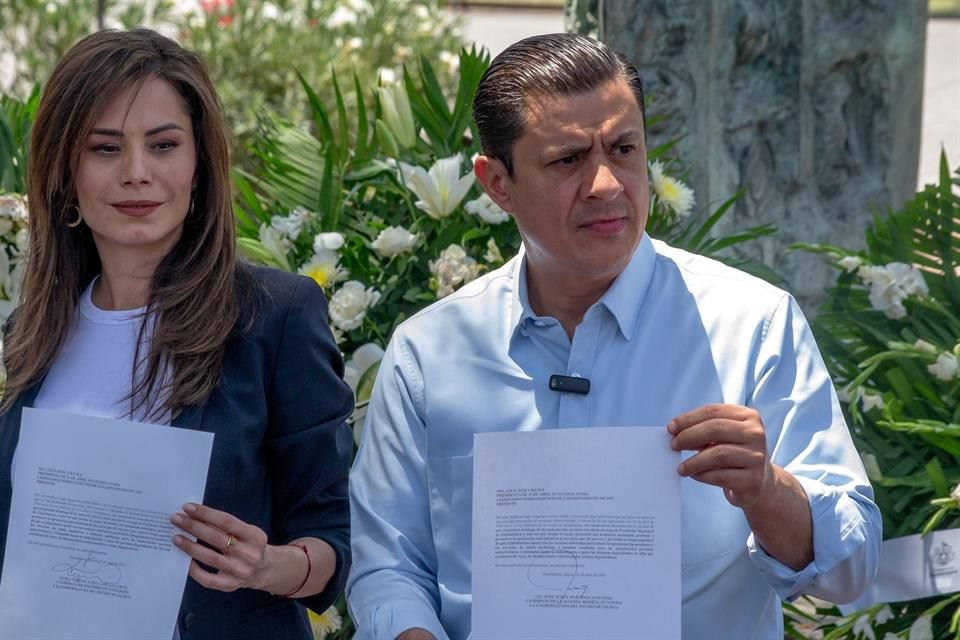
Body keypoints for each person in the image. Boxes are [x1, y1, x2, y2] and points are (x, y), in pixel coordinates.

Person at [347, 32, 881, 640]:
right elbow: (387, 564)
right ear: (498, 183)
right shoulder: (429, 354)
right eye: (568, 160)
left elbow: (853, 569)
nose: (605, 183)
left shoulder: (752, 324)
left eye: (623, 149)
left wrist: (766, 490)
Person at [0, 29, 354, 640]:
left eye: (163, 145)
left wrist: (268, 565)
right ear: (65, 172)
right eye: (105, 148)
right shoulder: (31, 333)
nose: (137, 173)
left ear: (199, 166)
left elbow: (330, 541)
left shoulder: (276, 316)